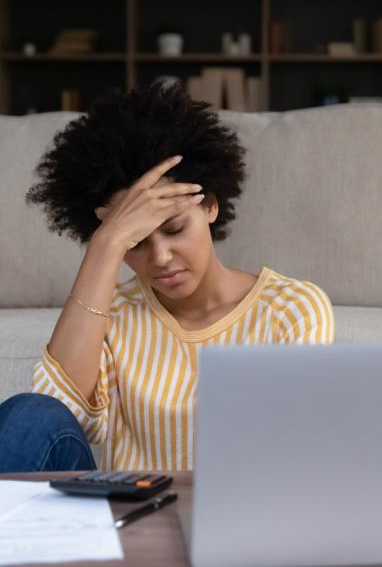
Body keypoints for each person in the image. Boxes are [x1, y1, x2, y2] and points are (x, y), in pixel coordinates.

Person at [0, 81, 335, 473]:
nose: (160, 257)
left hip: (233, 519)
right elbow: (57, 415)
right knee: (27, 415)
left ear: (209, 205)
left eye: (174, 229)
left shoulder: (292, 310)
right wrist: (105, 247)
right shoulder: (114, 314)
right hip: (122, 518)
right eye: (135, 243)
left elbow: (295, 457)